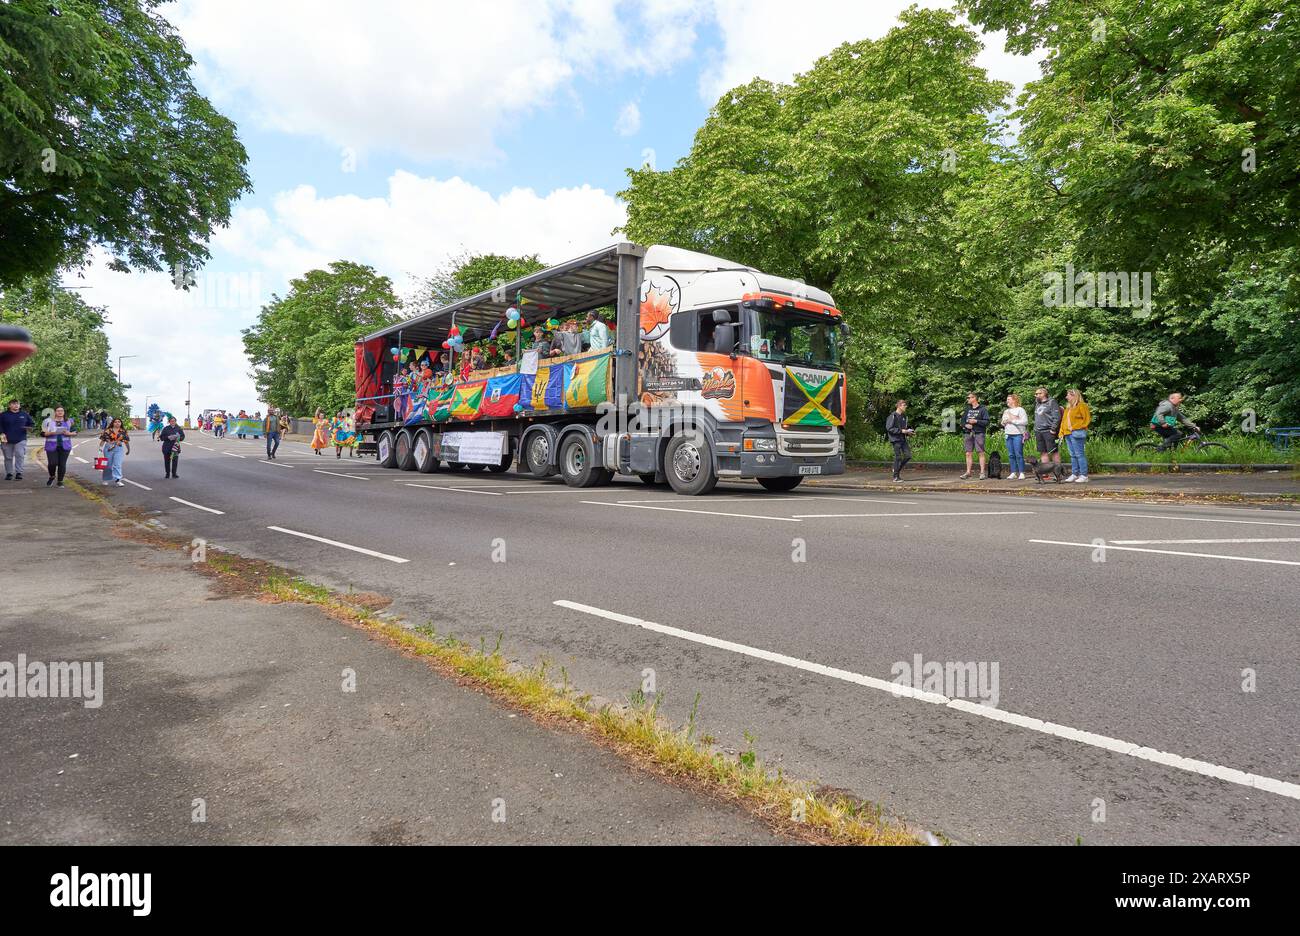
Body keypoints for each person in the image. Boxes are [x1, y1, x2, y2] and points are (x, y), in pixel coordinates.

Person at [1059, 388, 1091, 482]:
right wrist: (1061, 432)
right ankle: (1074, 474)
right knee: (1072, 455)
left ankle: (1084, 475)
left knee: (1079, 454)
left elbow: (1087, 420)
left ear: (1074, 396)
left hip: (1077, 433)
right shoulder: (1068, 408)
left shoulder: (1082, 406)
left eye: (1068, 395)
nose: (1066, 397)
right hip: (1067, 434)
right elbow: (1063, 421)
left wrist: (1076, 427)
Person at [2, 398, 36, 480]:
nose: (16, 405)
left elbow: (31, 424)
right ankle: (9, 473)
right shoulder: (3, 415)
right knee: (8, 457)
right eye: (14, 404)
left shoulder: (24, 414)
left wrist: (29, 428)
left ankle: (19, 472)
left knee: (20, 455)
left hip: (21, 439)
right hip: (6, 439)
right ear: (9, 405)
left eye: (17, 404)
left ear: (19, 405)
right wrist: (1, 433)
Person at [42, 405, 77, 487]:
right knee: (52, 463)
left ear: (64, 412)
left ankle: (60, 481)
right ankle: (52, 476)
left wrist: (69, 433)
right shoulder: (47, 422)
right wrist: (51, 433)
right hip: (51, 445)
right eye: (58, 410)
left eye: (62, 410)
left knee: (62, 464)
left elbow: (75, 432)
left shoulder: (69, 421)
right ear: (54, 412)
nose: (60, 412)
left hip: (65, 446)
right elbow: (42, 433)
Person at [959, 392, 989, 480]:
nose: (967, 399)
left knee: (980, 452)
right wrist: (965, 425)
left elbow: (986, 422)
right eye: (967, 398)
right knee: (968, 453)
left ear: (974, 398)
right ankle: (968, 472)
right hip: (968, 433)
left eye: (969, 398)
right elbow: (962, 421)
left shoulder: (983, 409)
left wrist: (976, 421)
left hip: (979, 433)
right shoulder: (967, 409)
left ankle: (982, 472)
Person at [1032, 386, 1062, 474]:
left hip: (1049, 431)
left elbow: (1057, 417)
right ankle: (1045, 473)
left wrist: (1053, 429)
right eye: (1036, 394)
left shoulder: (1051, 402)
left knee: (1054, 452)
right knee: (1043, 452)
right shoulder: (1037, 403)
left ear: (1044, 393)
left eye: (1038, 393)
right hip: (1038, 431)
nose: (1036, 395)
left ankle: (1058, 472)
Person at [885, 399, 915, 482]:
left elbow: (904, 429)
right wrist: (901, 431)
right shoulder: (893, 416)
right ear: (899, 406)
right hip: (895, 439)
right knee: (898, 457)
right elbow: (889, 428)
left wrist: (908, 433)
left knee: (908, 456)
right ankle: (895, 477)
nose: (906, 407)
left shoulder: (904, 417)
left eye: (905, 405)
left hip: (903, 439)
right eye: (904, 405)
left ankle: (896, 469)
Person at [1000, 393, 1029, 480]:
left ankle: (1021, 472)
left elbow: (1025, 422)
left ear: (1014, 400)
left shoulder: (1020, 410)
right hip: (1008, 434)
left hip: (1018, 434)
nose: (1007, 401)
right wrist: (1004, 422)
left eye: (1008, 399)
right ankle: (1013, 472)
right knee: (1011, 454)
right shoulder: (1006, 411)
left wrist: (1012, 421)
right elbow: (1002, 422)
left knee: (1018, 454)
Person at [98, 417, 130, 486]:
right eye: (115, 422)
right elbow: (103, 440)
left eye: (119, 422)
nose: (117, 423)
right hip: (108, 449)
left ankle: (118, 480)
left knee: (117, 465)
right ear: (113, 423)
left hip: (118, 449)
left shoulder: (123, 431)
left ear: (121, 423)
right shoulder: (108, 430)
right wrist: (100, 449)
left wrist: (128, 450)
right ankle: (106, 479)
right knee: (108, 465)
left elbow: (126, 441)